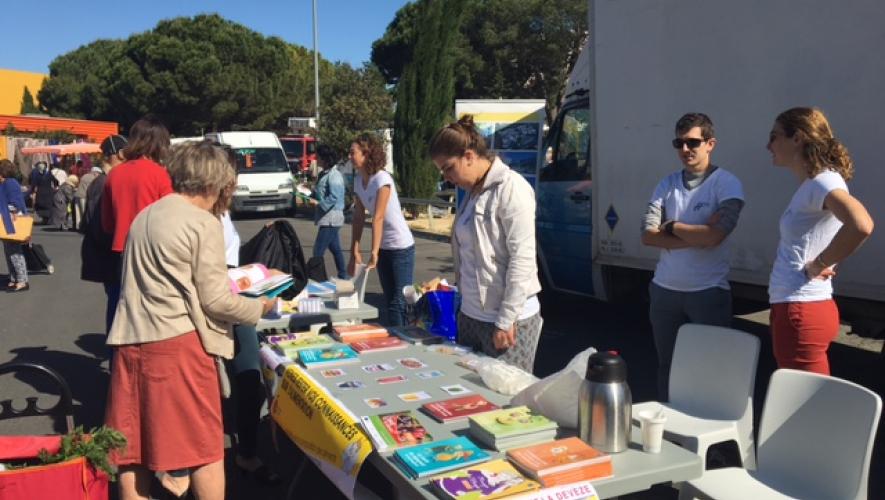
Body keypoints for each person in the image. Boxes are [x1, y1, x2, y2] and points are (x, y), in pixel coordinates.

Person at [104, 141, 275, 500]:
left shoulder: (146, 215)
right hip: (178, 345)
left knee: (133, 450)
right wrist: (260, 308)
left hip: (130, 339)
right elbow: (215, 301)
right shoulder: (202, 223)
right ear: (218, 182)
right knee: (205, 448)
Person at [641, 113, 745, 400]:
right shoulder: (666, 184)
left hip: (708, 293)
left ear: (710, 144)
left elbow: (716, 236)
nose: (685, 149)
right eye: (679, 143)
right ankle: (669, 433)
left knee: (709, 370)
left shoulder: (727, 184)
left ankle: (712, 440)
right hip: (665, 291)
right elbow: (647, 236)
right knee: (668, 367)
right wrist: (698, 235)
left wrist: (673, 227)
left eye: (693, 142)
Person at [429, 116, 543, 373]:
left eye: (448, 168)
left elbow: (522, 259)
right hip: (471, 315)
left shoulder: (512, 189)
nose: (447, 177)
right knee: (468, 394)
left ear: (468, 156)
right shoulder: (471, 193)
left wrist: (505, 320)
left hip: (507, 320)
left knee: (505, 401)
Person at [767, 107, 873, 375]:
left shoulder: (821, 183)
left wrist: (823, 261)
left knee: (801, 403)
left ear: (797, 138)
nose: (769, 145)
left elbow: (861, 224)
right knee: (800, 398)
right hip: (799, 306)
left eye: (775, 136)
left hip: (801, 308)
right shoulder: (815, 184)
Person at [219, 209, 281, 485]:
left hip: (237, 297)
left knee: (248, 378)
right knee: (220, 382)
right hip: (224, 302)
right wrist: (258, 304)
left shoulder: (221, 211)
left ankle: (246, 452)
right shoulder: (199, 214)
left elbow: (232, 252)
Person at [101, 115, 173, 322]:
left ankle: (116, 352)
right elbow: (171, 219)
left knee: (119, 306)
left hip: (121, 250)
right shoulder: (162, 175)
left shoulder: (114, 175)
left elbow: (107, 224)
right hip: (154, 252)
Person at [349, 133, 414, 326]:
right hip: (384, 247)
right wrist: (355, 250)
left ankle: (403, 341)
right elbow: (359, 217)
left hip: (401, 246)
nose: (350, 157)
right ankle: (398, 338)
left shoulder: (382, 179)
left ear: (366, 154)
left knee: (399, 301)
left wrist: (373, 252)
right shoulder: (358, 181)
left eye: (353, 153)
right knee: (389, 300)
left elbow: (378, 217)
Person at [80, 135, 128, 334]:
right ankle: (115, 358)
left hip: (110, 255)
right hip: (111, 257)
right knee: (117, 307)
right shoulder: (104, 183)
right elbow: (100, 226)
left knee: (117, 305)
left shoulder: (106, 181)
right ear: (116, 154)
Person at [310, 144, 349, 279]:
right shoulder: (324, 173)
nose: (316, 159)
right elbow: (321, 192)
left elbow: (334, 197)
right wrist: (310, 194)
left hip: (331, 218)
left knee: (317, 251)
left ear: (325, 158)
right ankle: (343, 276)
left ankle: (316, 278)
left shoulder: (334, 175)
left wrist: (319, 204)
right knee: (335, 249)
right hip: (327, 218)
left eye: (318, 157)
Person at [1, 159, 29, 292]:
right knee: (9, 251)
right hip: (6, 220)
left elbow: (15, 202)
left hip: (12, 221)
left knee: (15, 252)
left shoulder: (10, 183)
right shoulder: (5, 183)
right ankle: (14, 278)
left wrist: (12, 210)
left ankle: (22, 280)